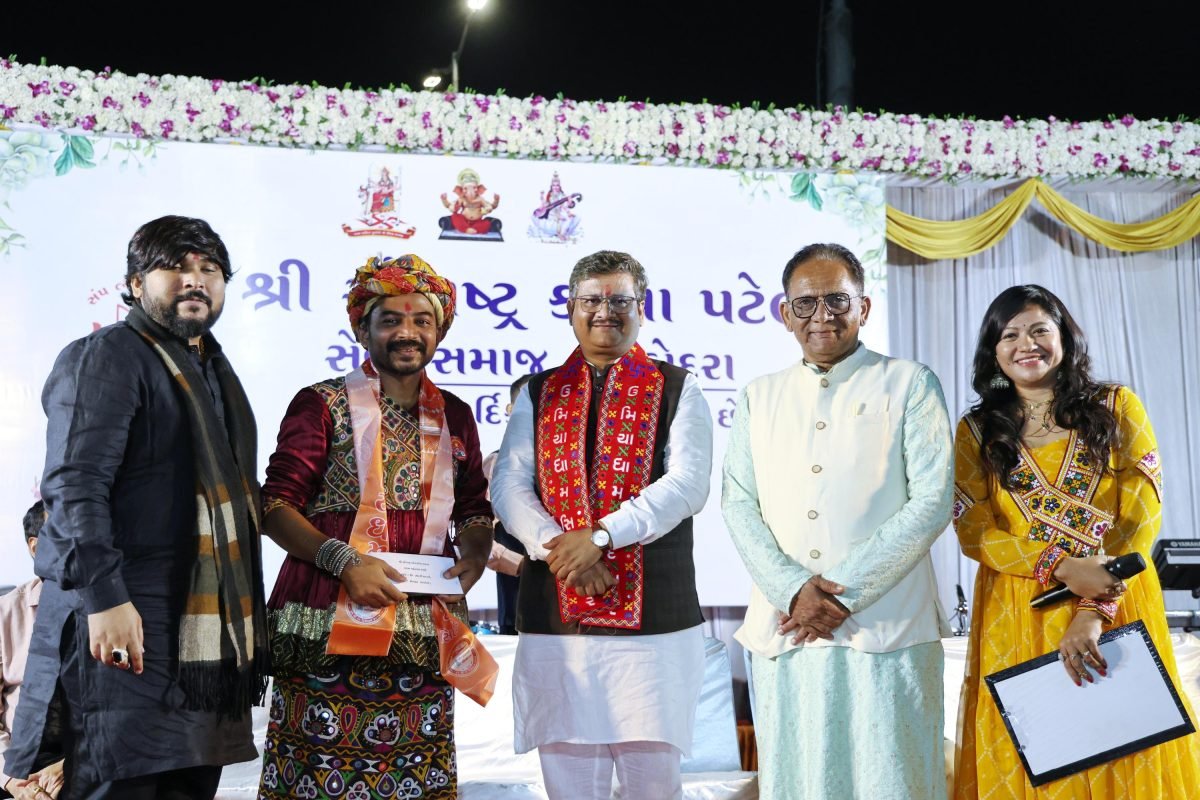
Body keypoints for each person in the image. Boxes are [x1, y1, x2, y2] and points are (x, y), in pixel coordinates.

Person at [8, 215, 268, 799]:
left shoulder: (213, 371)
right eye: (174, 267)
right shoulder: (108, 356)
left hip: (200, 637)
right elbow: (75, 486)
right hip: (125, 623)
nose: (195, 280)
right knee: (118, 784)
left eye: (209, 269)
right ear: (134, 284)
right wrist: (106, 598)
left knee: (186, 786)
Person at [722, 243, 954, 800]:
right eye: (805, 304)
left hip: (889, 629)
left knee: (893, 781)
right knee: (800, 783)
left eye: (837, 301)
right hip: (787, 631)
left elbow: (932, 501)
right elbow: (738, 503)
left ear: (864, 308)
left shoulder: (909, 382)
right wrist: (792, 590)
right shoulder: (760, 396)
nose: (821, 316)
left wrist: (839, 595)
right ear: (785, 314)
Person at [257, 254, 493, 800]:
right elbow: (275, 506)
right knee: (320, 778)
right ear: (362, 330)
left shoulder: (456, 413)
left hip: (421, 624)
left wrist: (476, 554)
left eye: (422, 320)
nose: (407, 332)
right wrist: (344, 561)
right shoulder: (321, 403)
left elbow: (473, 507)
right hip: (327, 617)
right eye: (390, 320)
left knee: (414, 777)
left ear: (439, 331)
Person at [952, 284, 1200, 798]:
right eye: (1009, 335)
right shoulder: (977, 431)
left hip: (1118, 597)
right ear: (994, 351)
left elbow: (1141, 514)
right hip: (1020, 607)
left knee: (1125, 745)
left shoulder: (1116, 406)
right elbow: (974, 531)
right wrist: (1062, 567)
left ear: (1064, 336)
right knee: (1038, 751)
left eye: (1039, 330)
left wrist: (1093, 606)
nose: (1026, 344)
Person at [491, 250, 714, 800]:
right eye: (591, 300)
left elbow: (688, 485)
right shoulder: (538, 391)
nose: (604, 312)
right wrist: (562, 550)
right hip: (557, 622)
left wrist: (601, 537)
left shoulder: (678, 387)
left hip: (654, 626)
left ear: (642, 308)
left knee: (652, 785)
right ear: (571, 309)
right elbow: (509, 485)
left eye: (620, 300)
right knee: (568, 782)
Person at [1, 502, 64, 800]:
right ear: (35, 548)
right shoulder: (5, 613)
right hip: (17, 759)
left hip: (86, 760)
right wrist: (11, 779)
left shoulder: (106, 611)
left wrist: (73, 765)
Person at [481, 374, 534, 636]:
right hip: (517, 602)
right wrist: (519, 564)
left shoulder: (572, 466)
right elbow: (476, 531)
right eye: (527, 403)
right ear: (510, 409)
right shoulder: (495, 464)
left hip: (573, 600)